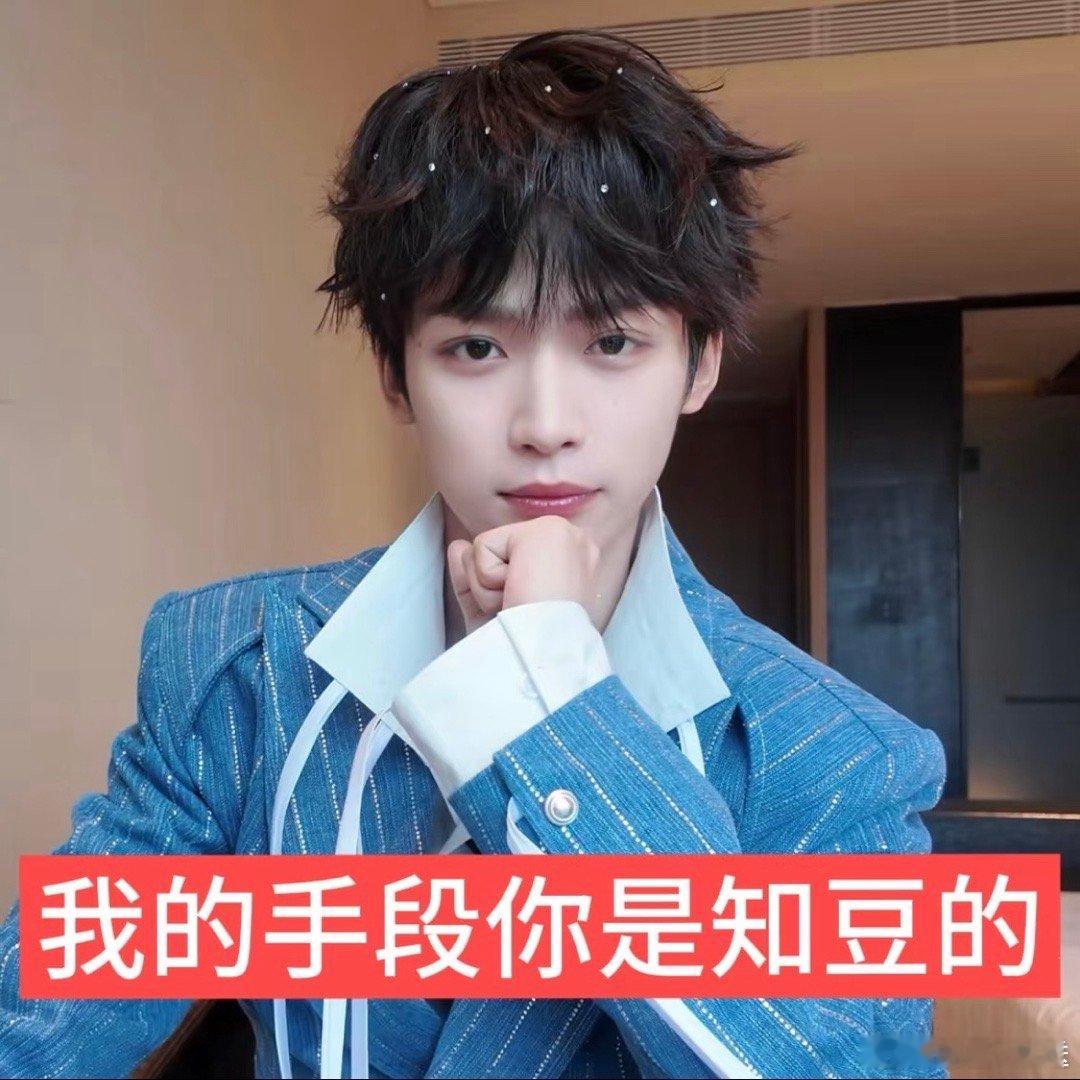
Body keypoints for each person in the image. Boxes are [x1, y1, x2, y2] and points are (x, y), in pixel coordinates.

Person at [0, 28, 949, 1080]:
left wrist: (554, 710)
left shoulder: (831, 755)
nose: (545, 425)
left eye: (613, 343)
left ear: (699, 364)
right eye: (477, 347)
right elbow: (43, 1022)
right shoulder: (238, 667)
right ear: (396, 376)